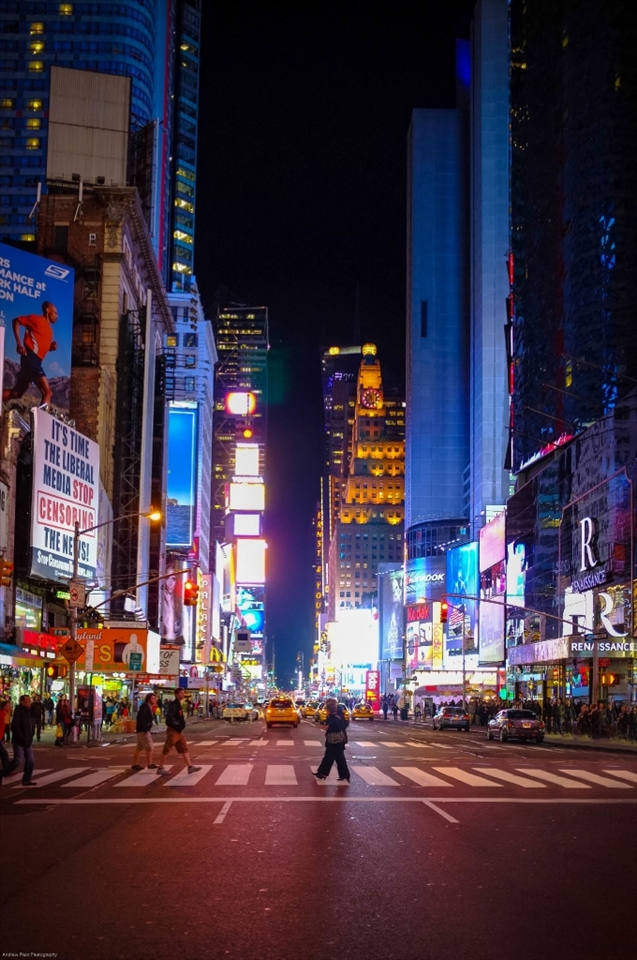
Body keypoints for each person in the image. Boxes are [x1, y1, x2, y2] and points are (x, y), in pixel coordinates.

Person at [2, 300, 59, 406]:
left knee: (16, 393)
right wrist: (19, 344)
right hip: (31, 359)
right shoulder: (36, 319)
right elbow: (16, 321)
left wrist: (51, 347)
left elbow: (41, 346)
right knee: (48, 392)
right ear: (47, 310)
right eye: (55, 313)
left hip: (35, 361)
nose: (57, 316)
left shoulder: (50, 331)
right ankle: (42, 421)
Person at [155, 689, 200, 776]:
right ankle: (160, 768)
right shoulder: (174, 704)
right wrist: (178, 725)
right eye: (181, 693)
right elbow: (169, 718)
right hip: (173, 731)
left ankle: (190, 767)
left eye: (183, 693)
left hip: (178, 731)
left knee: (184, 748)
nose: (183, 694)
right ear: (176, 694)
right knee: (167, 749)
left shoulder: (178, 704)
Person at [313, 698, 350, 783]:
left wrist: (329, 727)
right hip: (338, 739)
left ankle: (322, 773)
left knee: (329, 756)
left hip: (336, 739)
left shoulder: (336, 715)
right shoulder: (336, 713)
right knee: (339, 758)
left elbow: (339, 725)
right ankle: (344, 774)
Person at [11, 694, 37, 785]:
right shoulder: (19, 711)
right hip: (20, 741)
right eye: (27, 701)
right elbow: (15, 726)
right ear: (22, 702)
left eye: (30, 700)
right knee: (18, 761)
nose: (30, 702)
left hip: (27, 740)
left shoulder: (28, 711)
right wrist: (22, 738)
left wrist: (30, 737)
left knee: (30, 761)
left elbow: (31, 725)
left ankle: (26, 780)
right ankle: (3, 772)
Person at [131, 693, 158, 770]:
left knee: (139, 748)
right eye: (153, 698)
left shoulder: (148, 707)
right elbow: (140, 719)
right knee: (150, 747)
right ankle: (150, 764)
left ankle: (134, 764)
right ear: (149, 700)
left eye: (155, 698)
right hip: (143, 731)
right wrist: (146, 729)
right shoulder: (145, 708)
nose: (155, 700)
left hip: (142, 730)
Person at [0, 701, 18, 784]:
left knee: (4, 754)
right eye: (8, 706)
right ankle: (6, 771)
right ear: (4, 707)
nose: (10, 707)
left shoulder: (4, 714)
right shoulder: (1, 715)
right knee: (4, 754)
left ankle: (6, 771)